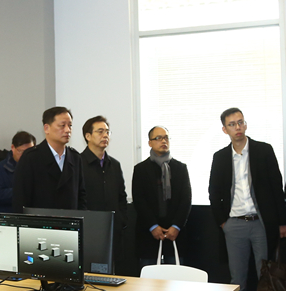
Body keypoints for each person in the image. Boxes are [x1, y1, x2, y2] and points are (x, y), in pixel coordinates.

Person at [208, 107, 286, 291]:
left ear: (245, 124)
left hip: (261, 223)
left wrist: (282, 222)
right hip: (234, 224)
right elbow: (213, 191)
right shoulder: (220, 157)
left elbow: (276, 187)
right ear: (225, 130)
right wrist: (223, 222)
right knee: (237, 281)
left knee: (267, 278)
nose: (238, 127)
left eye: (240, 122)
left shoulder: (263, 150)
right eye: (232, 124)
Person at [131, 126, 191, 267]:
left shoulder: (180, 168)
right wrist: (153, 226)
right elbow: (139, 200)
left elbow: (186, 199)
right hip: (148, 232)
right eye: (158, 138)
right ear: (150, 143)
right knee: (149, 277)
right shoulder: (141, 169)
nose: (163, 141)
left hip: (175, 232)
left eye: (166, 138)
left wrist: (176, 226)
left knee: (175, 276)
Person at [13, 106, 87, 212]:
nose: (67, 130)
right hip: (41, 220)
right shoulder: (31, 157)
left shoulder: (75, 158)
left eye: (70, 125)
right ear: (46, 128)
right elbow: (20, 199)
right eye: (62, 125)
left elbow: (81, 196)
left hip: (70, 220)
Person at [80, 116, 129, 259]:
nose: (105, 135)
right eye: (100, 131)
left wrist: (121, 220)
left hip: (113, 230)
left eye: (107, 132)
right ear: (88, 136)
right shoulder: (77, 163)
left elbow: (121, 196)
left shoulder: (114, 165)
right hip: (88, 230)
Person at [0, 131, 36, 213]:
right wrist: (22, 191)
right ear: (13, 147)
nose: (26, 155)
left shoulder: (39, 167)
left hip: (33, 215)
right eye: (21, 151)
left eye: (30, 152)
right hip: (8, 215)